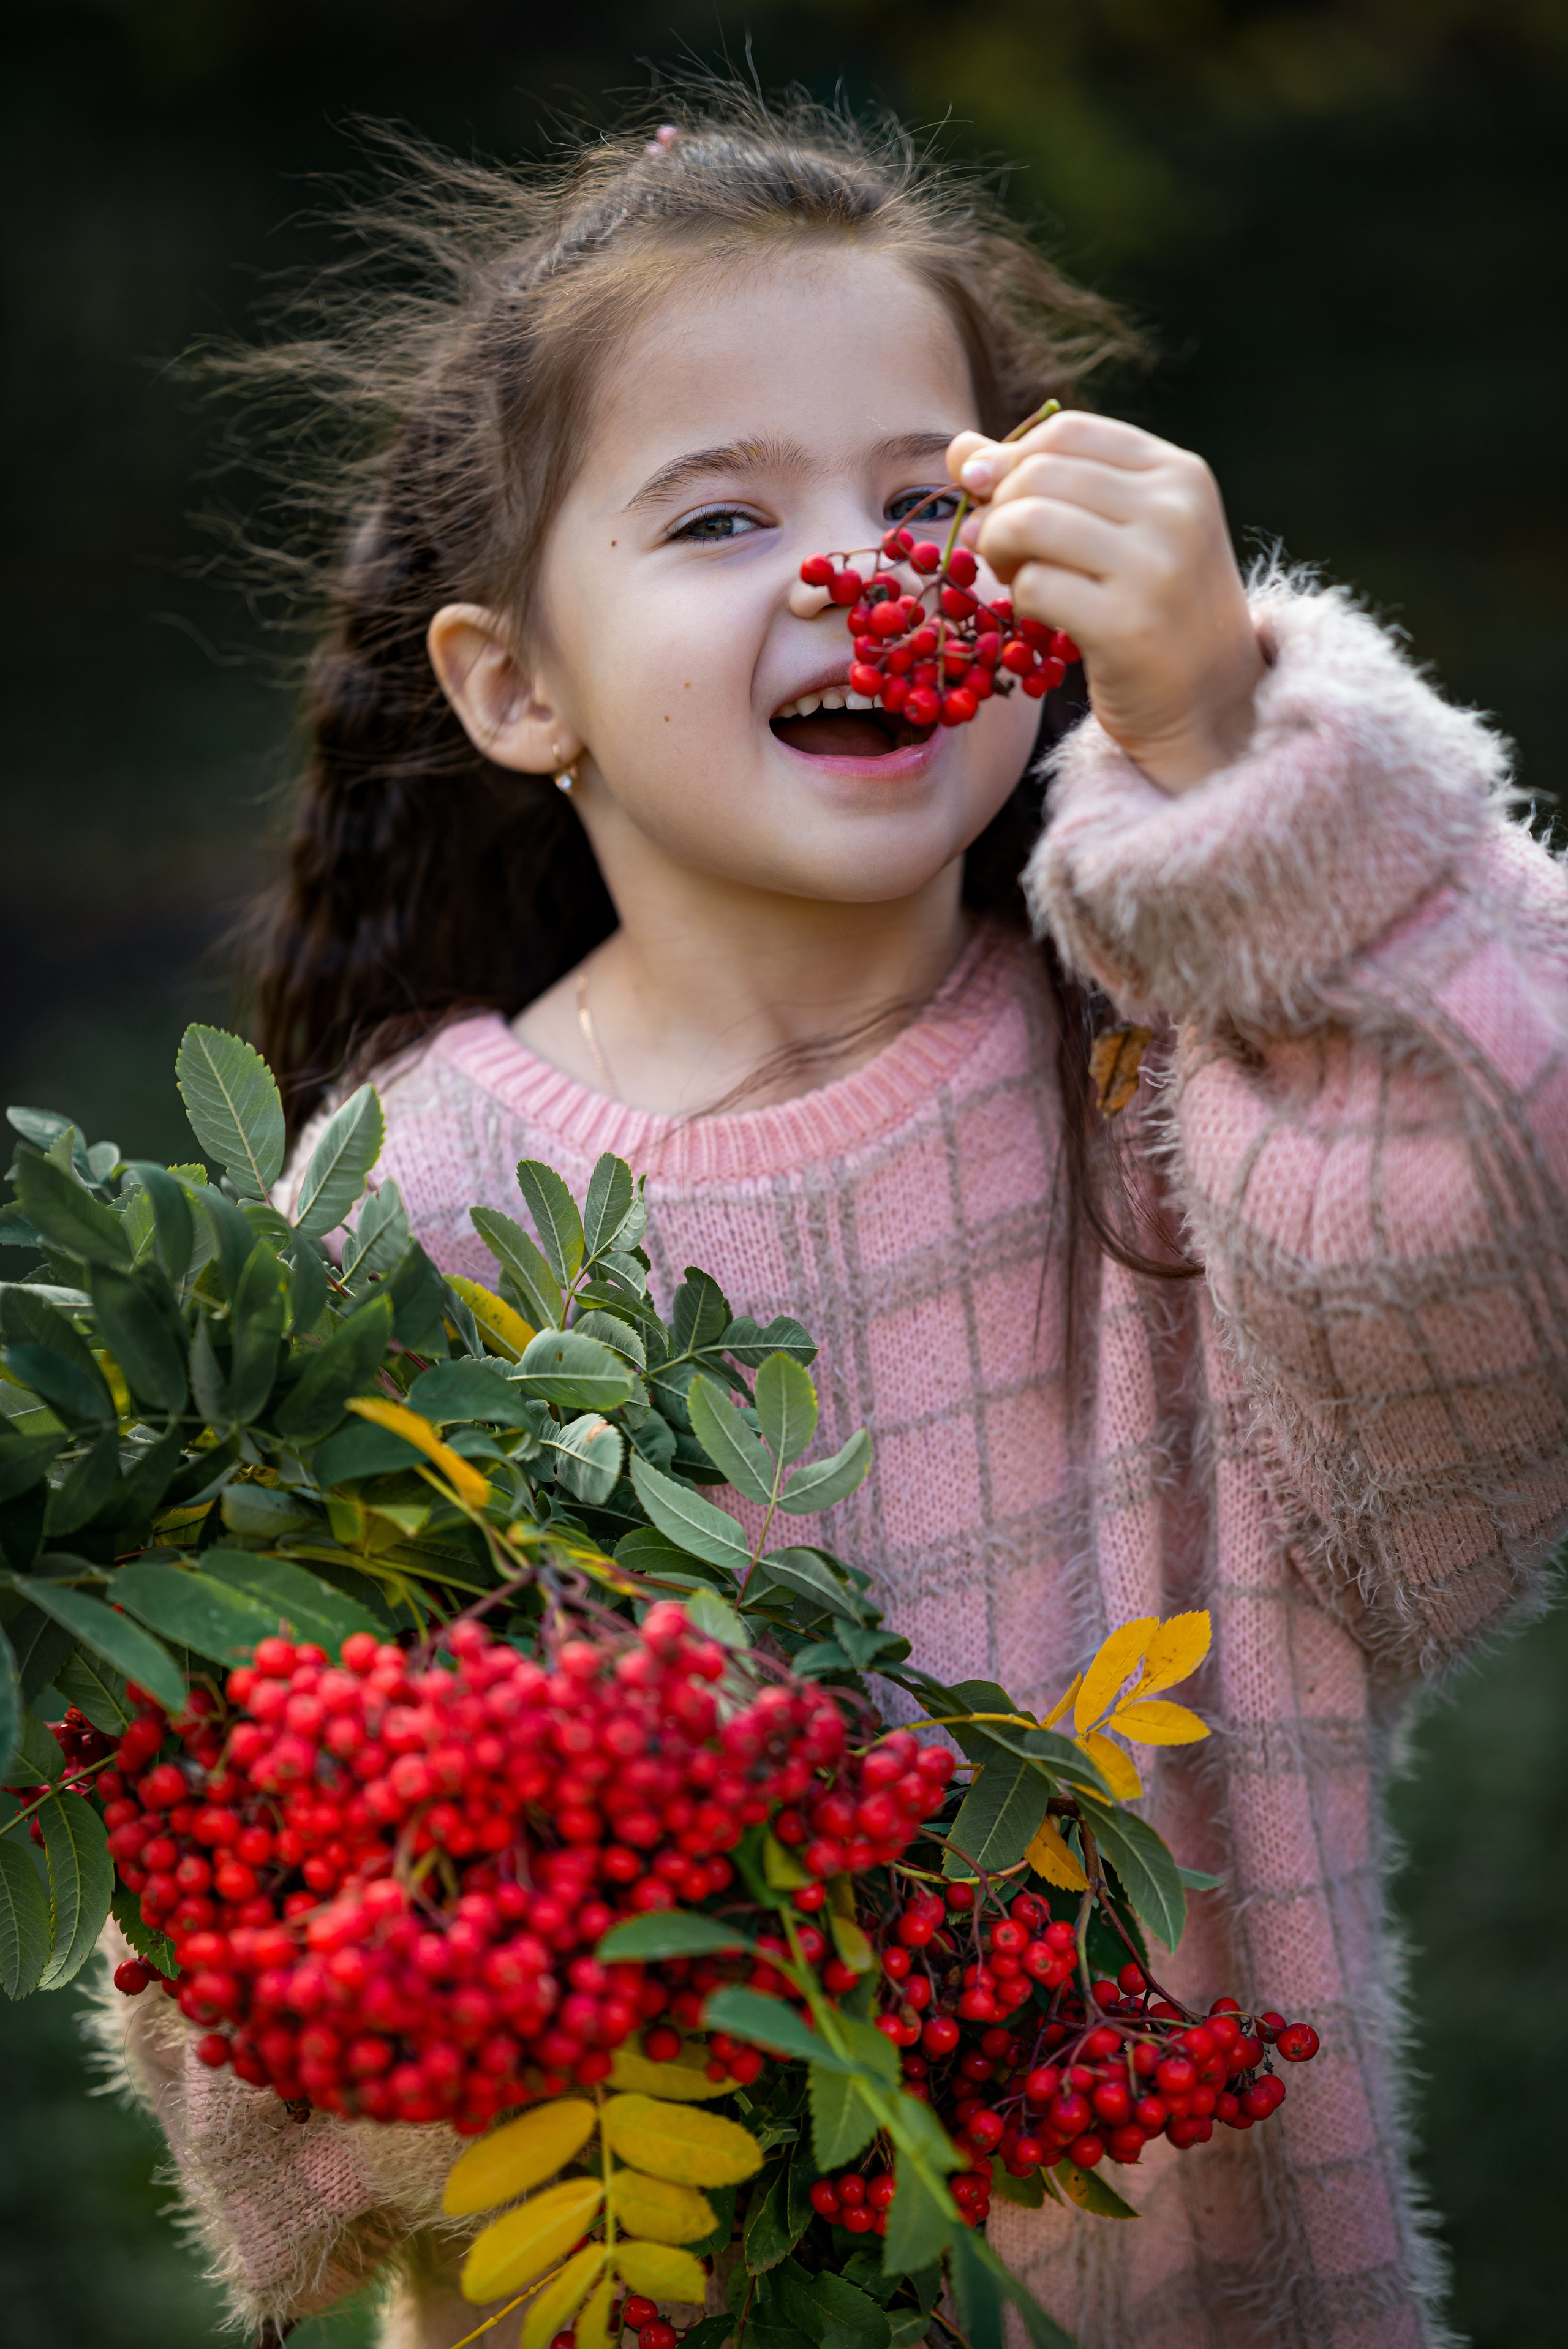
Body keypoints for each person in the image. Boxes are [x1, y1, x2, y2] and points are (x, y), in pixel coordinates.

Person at [96, 92, 1568, 2349]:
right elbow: (255, 1981)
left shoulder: (1189, 1079)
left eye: (924, 498)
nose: (850, 569)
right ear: (515, 684)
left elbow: (1494, 1260)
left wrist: (1229, 757)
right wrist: (561, 1951)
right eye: (717, 514)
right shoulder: (397, 1217)